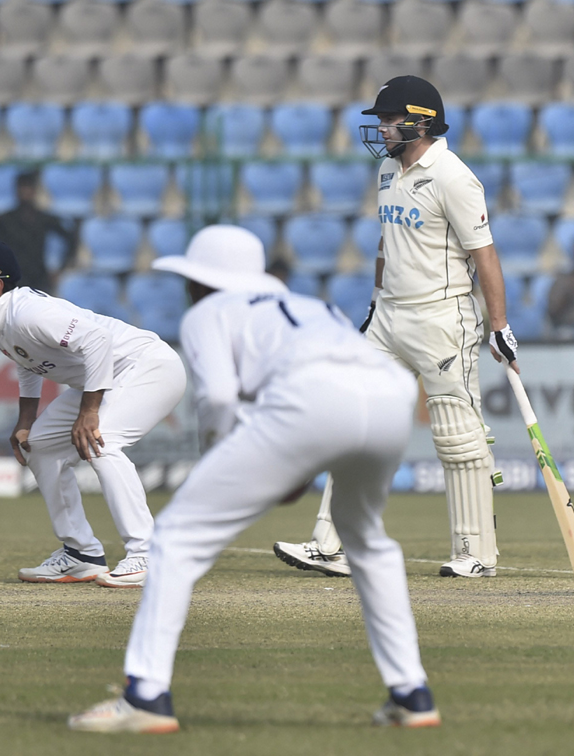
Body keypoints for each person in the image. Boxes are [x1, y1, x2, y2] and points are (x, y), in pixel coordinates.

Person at [68, 226, 439, 733]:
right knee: (366, 539)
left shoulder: (207, 313)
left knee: (176, 537)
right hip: (391, 397)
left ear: (202, 282)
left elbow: (219, 397)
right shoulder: (313, 305)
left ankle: (146, 697)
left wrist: (226, 457)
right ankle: (412, 694)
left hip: (311, 400)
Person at [275, 75, 518, 580]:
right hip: (387, 317)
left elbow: (485, 254)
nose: (382, 128)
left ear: (421, 122)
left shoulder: (453, 176)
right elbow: (388, 246)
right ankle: (329, 545)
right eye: (381, 120)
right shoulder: (388, 171)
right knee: (353, 423)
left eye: (390, 119)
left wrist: (499, 325)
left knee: (457, 437)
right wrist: (374, 301)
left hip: (441, 318)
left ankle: (476, 554)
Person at [0, 239, 186, 588]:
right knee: (40, 445)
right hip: (104, 377)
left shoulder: (28, 311)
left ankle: (148, 553)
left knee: (102, 440)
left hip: (148, 366)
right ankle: (81, 554)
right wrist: (26, 422)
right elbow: (29, 363)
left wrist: (89, 412)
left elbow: (98, 340)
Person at [0, 171, 75, 294]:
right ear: (16, 190)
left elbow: (70, 239)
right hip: (12, 279)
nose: (25, 192)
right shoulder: (5, 220)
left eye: (28, 188)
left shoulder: (44, 218)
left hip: (39, 279)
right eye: (22, 188)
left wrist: (62, 268)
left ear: (35, 191)